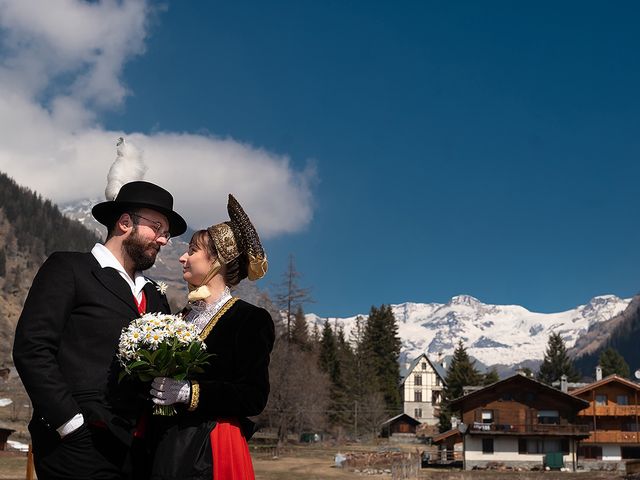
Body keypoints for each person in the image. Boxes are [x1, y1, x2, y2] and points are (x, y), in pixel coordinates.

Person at [13, 181, 187, 480]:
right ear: (124, 223)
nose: (163, 240)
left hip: (139, 451)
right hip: (78, 444)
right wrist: (69, 424)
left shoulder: (156, 295)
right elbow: (32, 348)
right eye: (157, 228)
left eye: (166, 233)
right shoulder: (69, 268)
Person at [148, 194, 274, 480]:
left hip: (212, 446)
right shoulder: (179, 319)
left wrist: (188, 392)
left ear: (217, 260)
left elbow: (253, 396)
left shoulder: (250, 320)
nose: (183, 257)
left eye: (192, 250)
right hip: (167, 445)